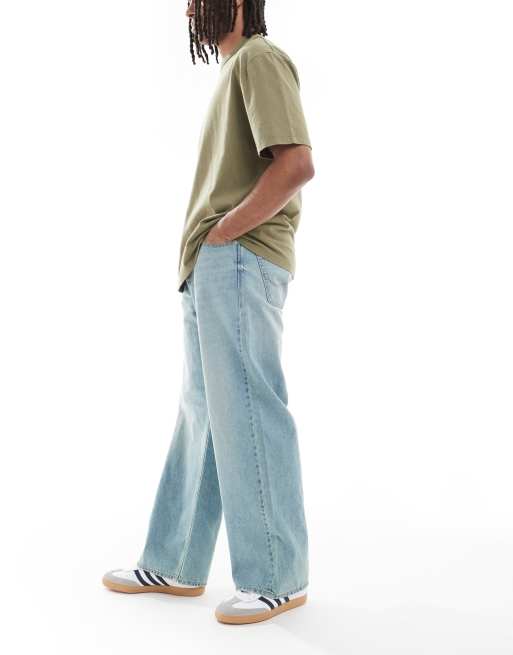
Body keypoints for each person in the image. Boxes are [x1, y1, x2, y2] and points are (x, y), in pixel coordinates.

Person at [102, 0, 315, 625]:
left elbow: (296, 163)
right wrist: (209, 248)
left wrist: (225, 232)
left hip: (241, 257)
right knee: (205, 411)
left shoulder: (259, 58)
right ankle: (176, 563)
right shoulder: (236, 69)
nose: (190, 8)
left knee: (249, 406)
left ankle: (278, 577)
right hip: (215, 263)